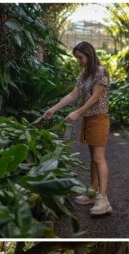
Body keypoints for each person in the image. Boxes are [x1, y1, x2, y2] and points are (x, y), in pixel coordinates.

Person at [44, 41, 112, 215]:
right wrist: (53, 109)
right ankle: (92, 192)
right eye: (77, 58)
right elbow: (73, 95)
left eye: (80, 57)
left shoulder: (100, 72)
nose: (78, 61)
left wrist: (77, 112)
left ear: (89, 55)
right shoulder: (84, 76)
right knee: (93, 158)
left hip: (98, 118)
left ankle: (103, 199)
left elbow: (95, 97)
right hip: (89, 119)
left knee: (99, 158)